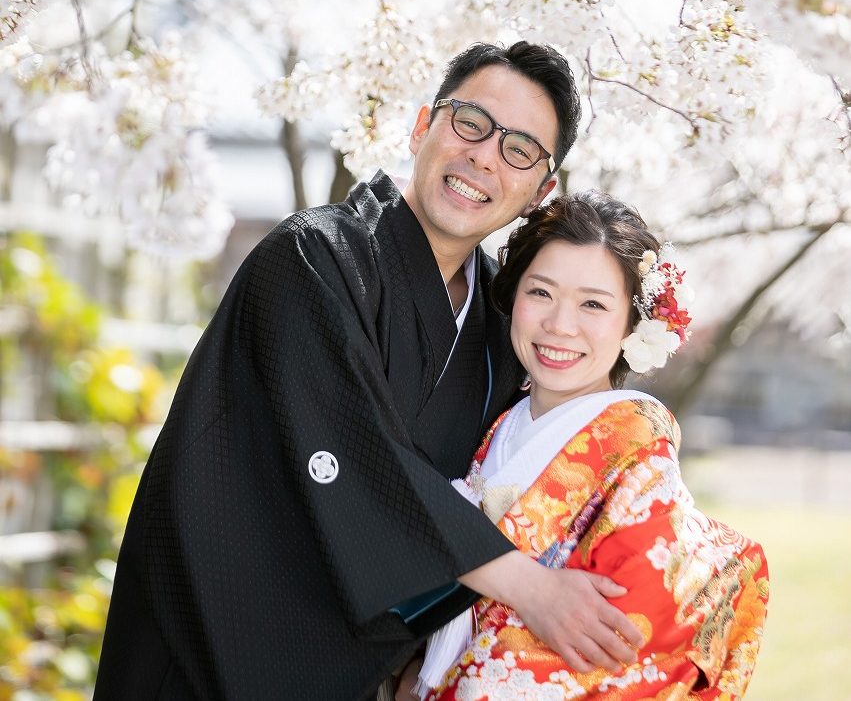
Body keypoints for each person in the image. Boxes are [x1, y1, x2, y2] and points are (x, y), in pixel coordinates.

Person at [93, 42, 645, 701]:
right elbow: (354, 455)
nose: (483, 157)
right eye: (470, 122)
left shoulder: (502, 326)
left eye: (519, 149)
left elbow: (513, 478)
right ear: (422, 126)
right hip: (210, 647)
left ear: (540, 190)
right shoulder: (311, 256)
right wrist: (530, 587)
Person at [406, 191, 769, 700]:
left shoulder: (637, 447)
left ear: (633, 324)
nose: (560, 325)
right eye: (541, 292)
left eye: (593, 304)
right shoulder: (498, 423)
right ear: (512, 297)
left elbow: (621, 635)